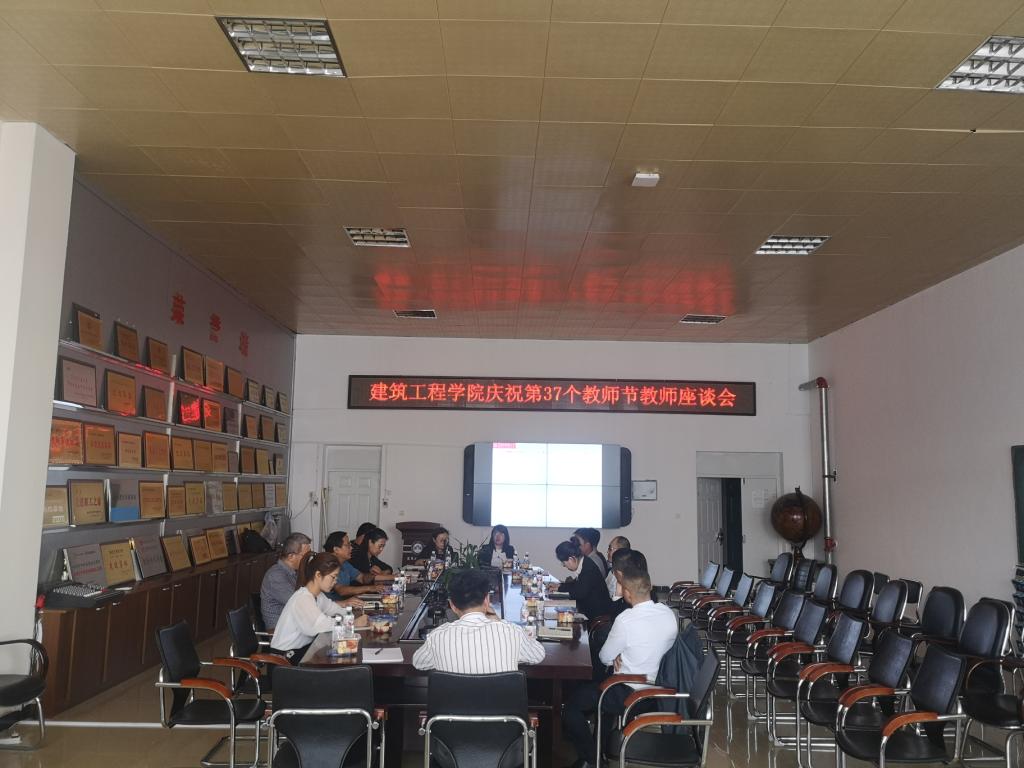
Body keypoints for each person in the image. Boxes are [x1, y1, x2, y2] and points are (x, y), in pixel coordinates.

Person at [562, 564, 678, 768]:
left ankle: (593, 760)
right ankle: (599, 750)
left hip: (629, 692)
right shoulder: (668, 614)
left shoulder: (626, 619)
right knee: (600, 697)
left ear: (627, 593)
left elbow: (604, 657)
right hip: (659, 690)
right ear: (649, 587)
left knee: (571, 707)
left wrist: (617, 655)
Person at [412, 568, 544, 673]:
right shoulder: (512, 632)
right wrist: (498, 621)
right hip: (500, 700)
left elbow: (418, 663)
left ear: (452, 605)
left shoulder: (437, 636)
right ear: (487, 600)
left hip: (454, 700)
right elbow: (538, 654)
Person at [269, 552, 368, 664]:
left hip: (302, 651)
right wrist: (353, 623)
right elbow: (319, 625)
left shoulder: (318, 596)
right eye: (333, 577)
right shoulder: (302, 598)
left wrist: (356, 617)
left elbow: (335, 609)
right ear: (318, 575)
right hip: (285, 659)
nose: (335, 581)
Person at [259, 532, 311, 630]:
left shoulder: (295, 572)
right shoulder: (275, 575)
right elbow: (298, 603)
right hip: (280, 631)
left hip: (295, 624)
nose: (308, 559)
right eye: (306, 556)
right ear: (291, 557)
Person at [555, 539, 613, 621]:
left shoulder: (588, 569)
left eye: (564, 563)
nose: (564, 566)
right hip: (588, 609)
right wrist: (559, 586)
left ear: (571, 559)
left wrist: (559, 588)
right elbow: (576, 585)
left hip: (596, 616)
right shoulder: (584, 563)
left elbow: (579, 593)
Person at [323, 530, 384, 601]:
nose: (351, 548)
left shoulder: (345, 564)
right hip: (332, 606)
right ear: (336, 549)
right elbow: (341, 590)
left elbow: (362, 578)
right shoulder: (328, 565)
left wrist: (372, 574)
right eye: (347, 545)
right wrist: (370, 588)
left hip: (345, 603)